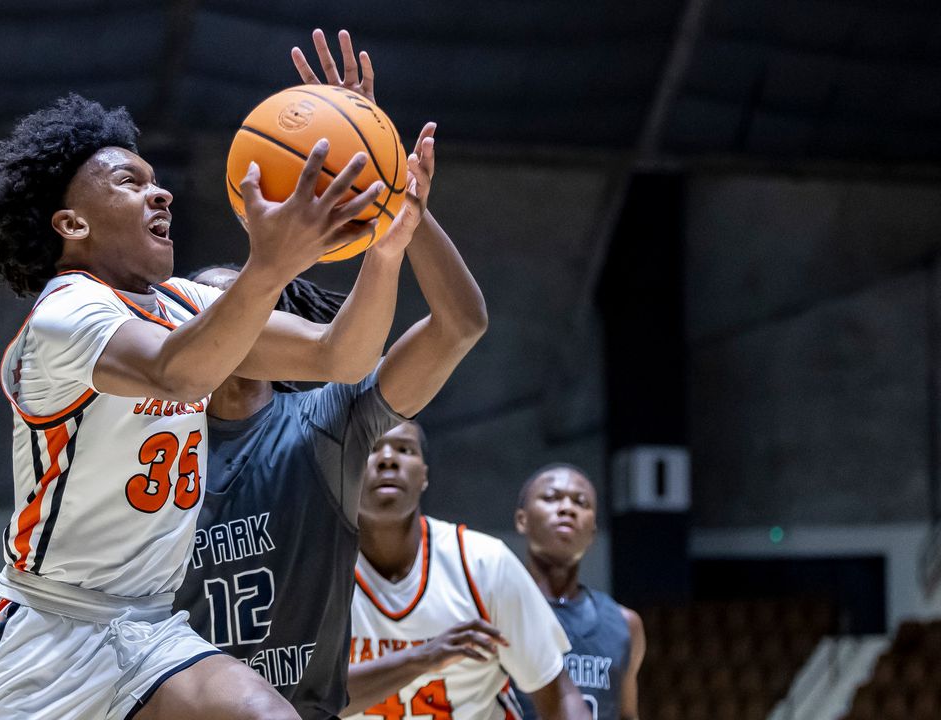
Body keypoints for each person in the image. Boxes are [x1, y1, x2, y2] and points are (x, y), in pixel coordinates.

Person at [0, 92, 403, 720]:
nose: (160, 194)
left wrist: (386, 241)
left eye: (158, 183)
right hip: (46, 632)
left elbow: (341, 356)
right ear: (73, 224)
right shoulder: (64, 314)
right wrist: (269, 266)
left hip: (148, 627)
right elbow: (178, 373)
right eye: (129, 183)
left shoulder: (184, 302)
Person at [174, 29, 488, 720]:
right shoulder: (154, 440)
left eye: (246, 300)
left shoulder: (322, 419)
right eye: (210, 304)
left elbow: (460, 324)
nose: (224, 314)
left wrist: (399, 211)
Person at [346, 422, 592, 720]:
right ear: (345, 468)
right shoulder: (316, 573)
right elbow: (308, 700)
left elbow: (558, 692)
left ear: (424, 475)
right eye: (372, 448)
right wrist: (422, 657)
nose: (388, 458)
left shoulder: (485, 563)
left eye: (404, 449)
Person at [503, 464, 646, 720]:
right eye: (551, 498)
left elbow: (627, 714)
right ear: (522, 519)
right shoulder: (494, 609)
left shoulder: (625, 624)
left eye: (581, 502)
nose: (567, 509)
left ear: (592, 533)